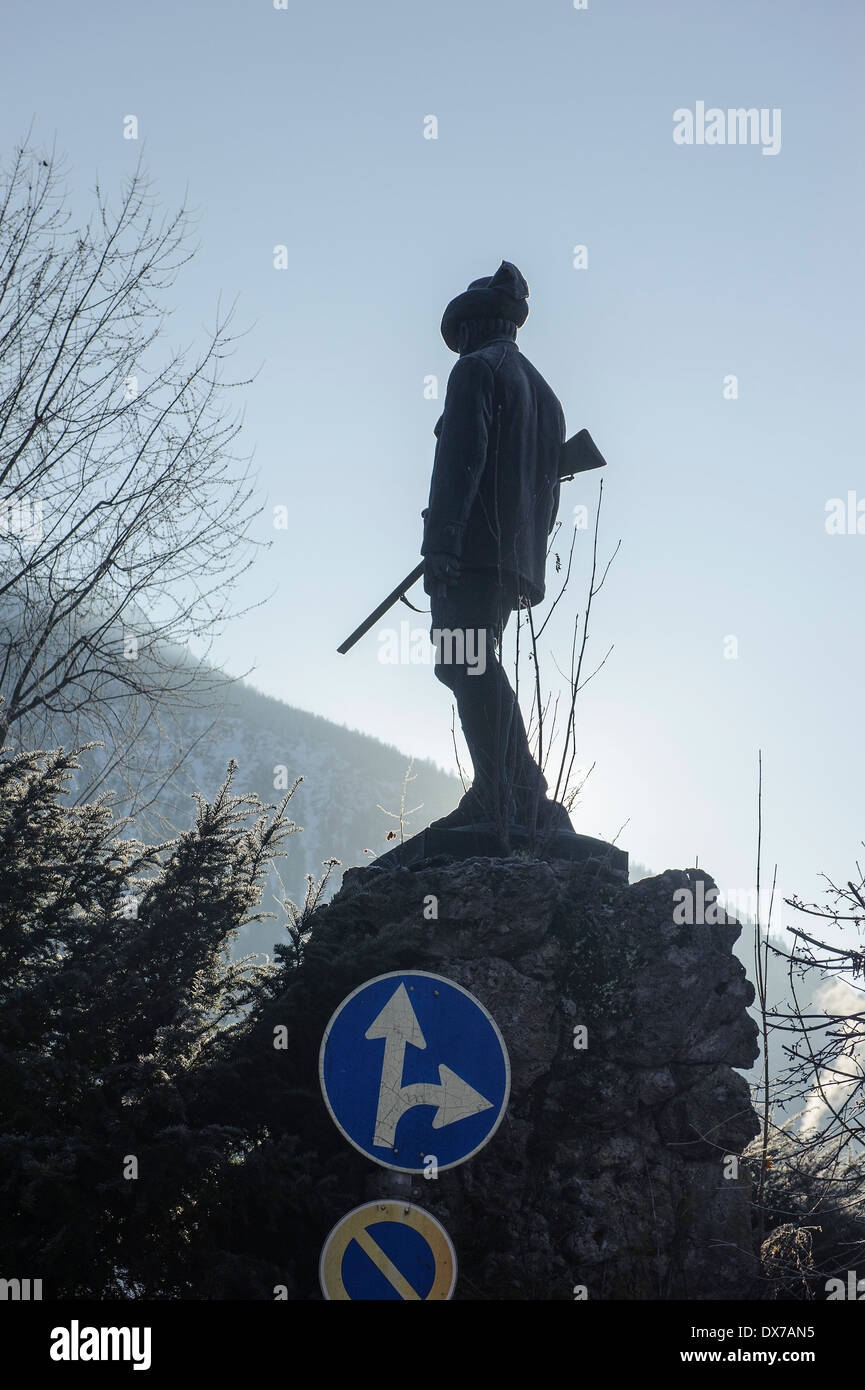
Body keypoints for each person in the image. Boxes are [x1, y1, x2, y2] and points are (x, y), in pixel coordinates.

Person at [421, 260, 571, 832]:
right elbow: (549, 495)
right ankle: (506, 786)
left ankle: (509, 788)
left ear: (477, 324)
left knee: (464, 660)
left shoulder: (475, 372)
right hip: (512, 561)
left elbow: (461, 461)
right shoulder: (546, 395)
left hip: (470, 553)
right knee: (471, 660)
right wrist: (526, 556)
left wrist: (444, 543)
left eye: (461, 332)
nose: (457, 344)